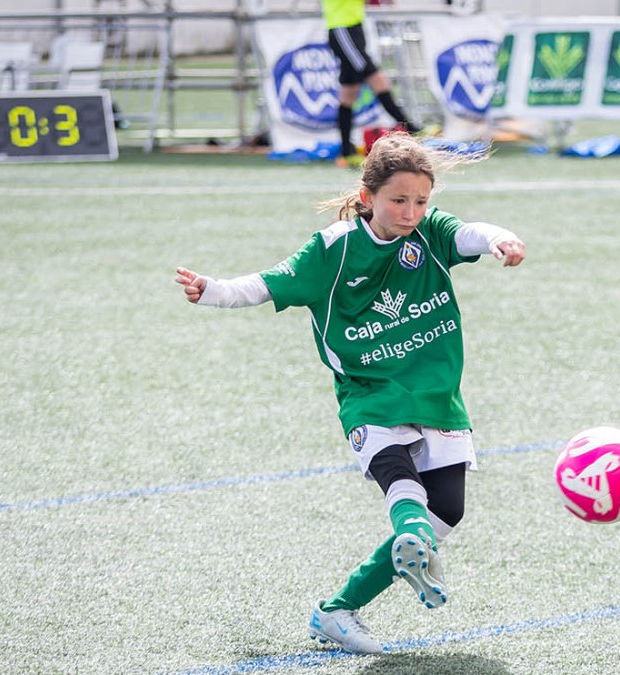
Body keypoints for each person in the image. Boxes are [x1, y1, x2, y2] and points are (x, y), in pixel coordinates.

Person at [175, 133, 525, 655]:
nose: (411, 212)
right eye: (398, 200)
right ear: (368, 198)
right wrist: (214, 290)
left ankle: (337, 610)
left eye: (421, 201)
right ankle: (412, 540)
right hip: (370, 392)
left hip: (435, 391)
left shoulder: (429, 232)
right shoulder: (334, 248)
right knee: (398, 477)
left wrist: (503, 239)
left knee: (447, 511)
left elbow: (472, 232)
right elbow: (271, 282)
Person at [323, 0, 423, 168]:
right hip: (343, 28)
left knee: (349, 92)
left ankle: (346, 151)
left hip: (351, 27)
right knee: (376, 79)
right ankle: (411, 127)